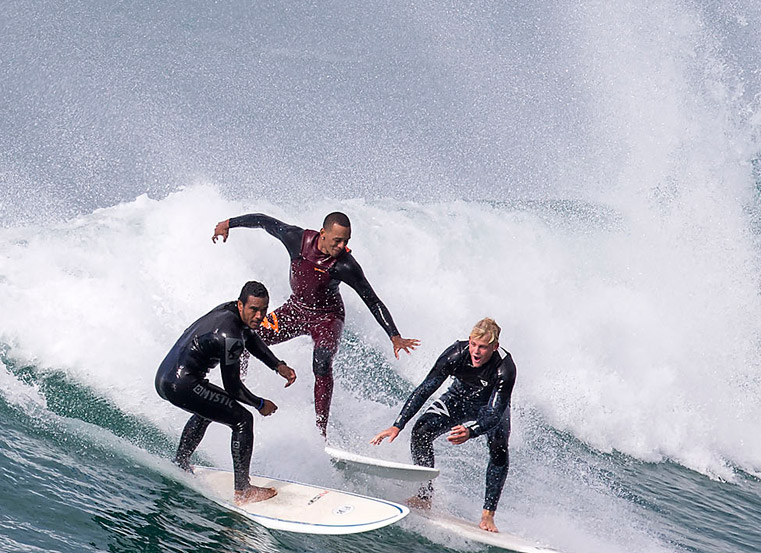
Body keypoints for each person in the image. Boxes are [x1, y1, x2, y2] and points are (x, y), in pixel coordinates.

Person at [212, 210, 420, 435]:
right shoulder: (296, 239)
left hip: (327, 318)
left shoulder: (345, 266)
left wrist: (394, 336)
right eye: (337, 240)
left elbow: (372, 299)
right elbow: (264, 221)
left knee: (321, 361)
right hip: (295, 310)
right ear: (323, 233)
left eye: (346, 241)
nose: (341, 246)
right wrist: (229, 223)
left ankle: (321, 431)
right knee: (245, 339)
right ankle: (235, 389)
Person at [155, 281, 298, 504]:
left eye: (263, 309)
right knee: (242, 419)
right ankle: (243, 490)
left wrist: (277, 365)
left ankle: (181, 462)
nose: (259, 316)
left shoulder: (228, 309)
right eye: (254, 309)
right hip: (181, 384)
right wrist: (260, 404)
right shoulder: (229, 337)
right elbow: (233, 388)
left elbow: (249, 336)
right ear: (241, 305)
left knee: (210, 407)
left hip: (165, 377)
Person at [370, 318, 514, 533]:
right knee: (421, 431)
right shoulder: (456, 354)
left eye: (483, 347)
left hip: (488, 408)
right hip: (457, 399)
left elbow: (494, 413)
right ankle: (424, 495)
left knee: (499, 447)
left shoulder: (505, 367)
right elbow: (426, 388)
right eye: (473, 344)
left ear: (494, 347)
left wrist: (471, 431)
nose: (476, 351)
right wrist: (397, 425)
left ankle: (488, 515)